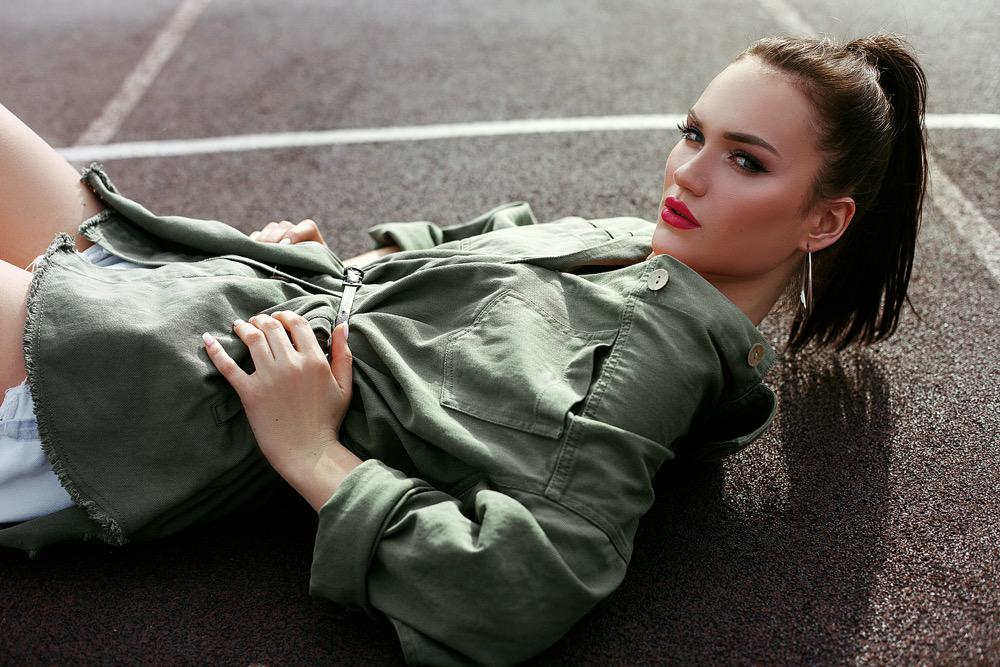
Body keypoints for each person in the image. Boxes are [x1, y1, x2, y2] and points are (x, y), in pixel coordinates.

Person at [0, 31, 926, 666]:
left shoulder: (655, 358)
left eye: (745, 159)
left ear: (824, 220)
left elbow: (514, 591)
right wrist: (346, 260)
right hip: (210, 286)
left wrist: (309, 449)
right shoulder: (638, 242)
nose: (687, 171)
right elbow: (479, 244)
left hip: (138, 391)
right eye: (694, 133)